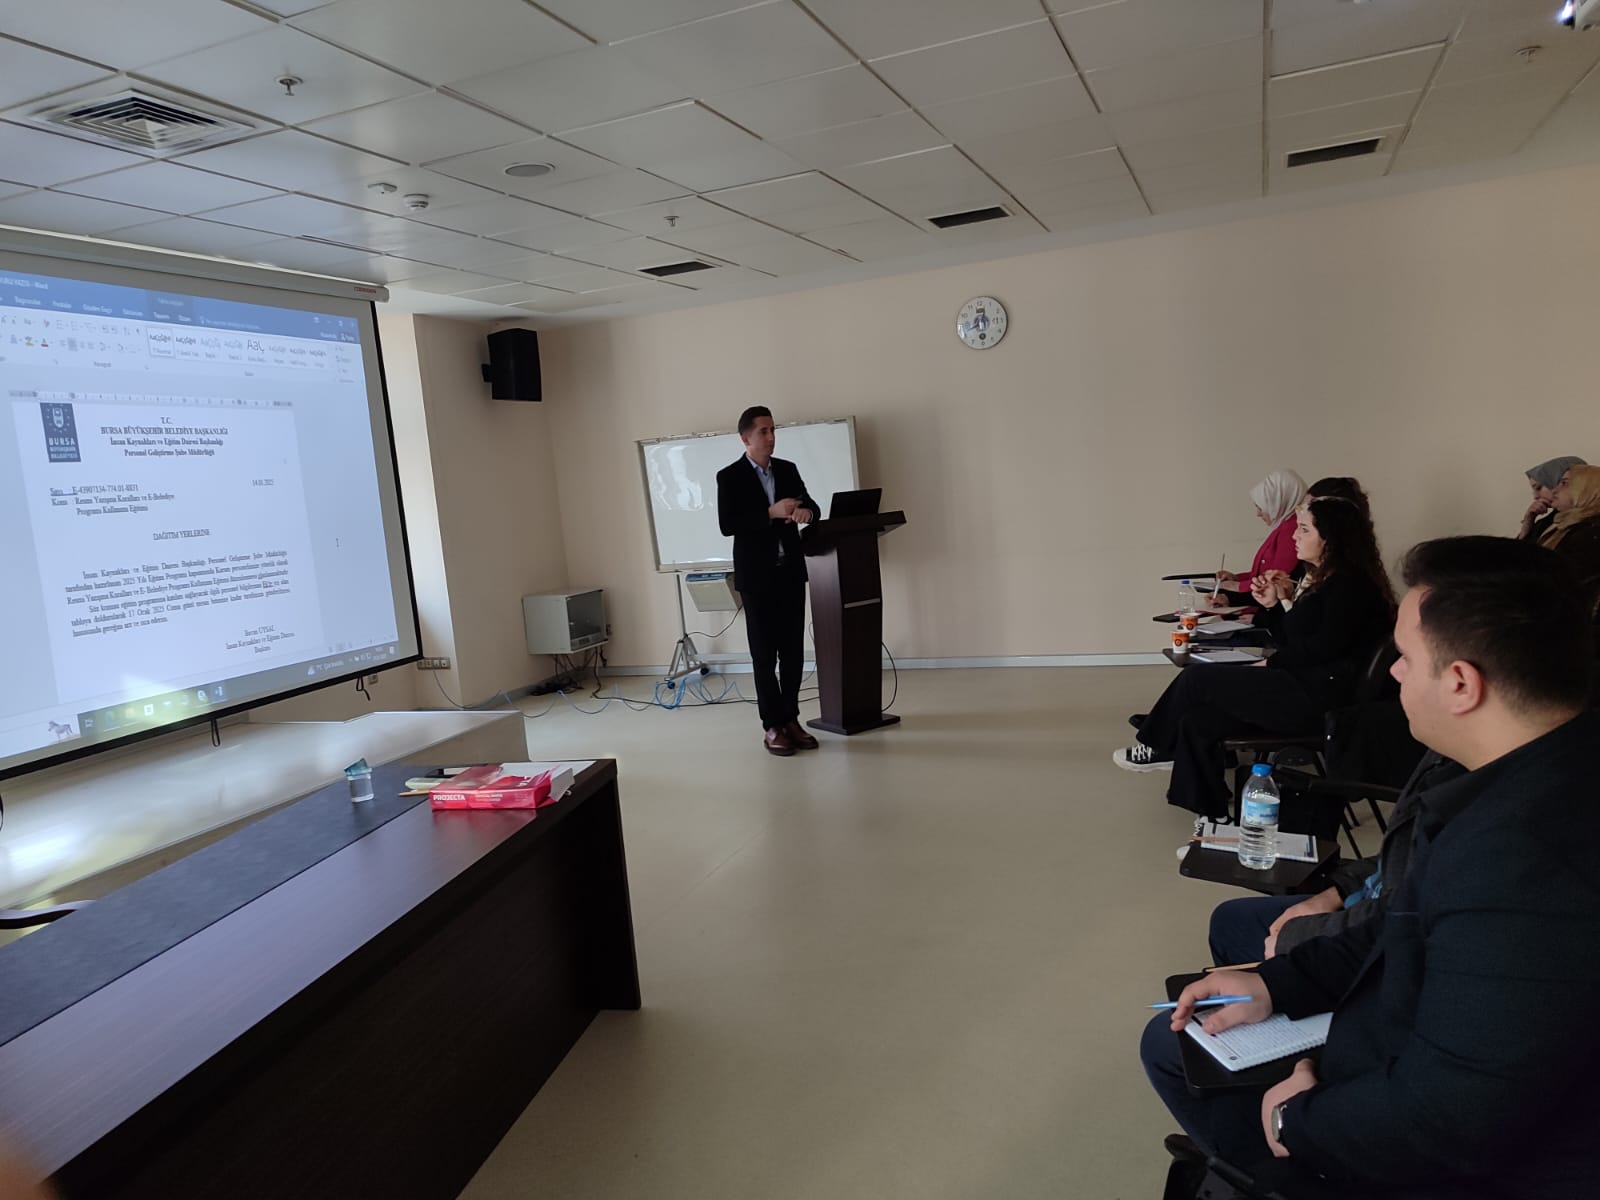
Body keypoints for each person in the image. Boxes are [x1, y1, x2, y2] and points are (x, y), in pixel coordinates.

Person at [1141, 535, 1600, 1199]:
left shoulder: (1528, 861)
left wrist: (1296, 1121)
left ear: (1461, 683)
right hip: (1404, 1059)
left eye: (1406, 658)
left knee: (1172, 1053)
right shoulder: (1511, 779)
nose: (1394, 674)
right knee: (1181, 1041)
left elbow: (1449, 1120)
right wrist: (1275, 983)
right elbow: (1401, 924)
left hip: (1445, 1146)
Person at [1116, 498, 1395, 818]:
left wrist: (1269, 663)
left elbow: (1322, 648)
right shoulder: (1330, 580)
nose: (1295, 536)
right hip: (1306, 685)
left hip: (1320, 700)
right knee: (1197, 722)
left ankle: (1159, 746)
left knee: (1195, 679)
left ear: (1331, 538)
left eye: (1304, 530)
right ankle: (1213, 814)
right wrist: (1279, 602)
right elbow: (1295, 638)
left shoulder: (1350, 587)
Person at [716, 406, 821, 757]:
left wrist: (806, 512)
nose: (771, 437)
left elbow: (812, 506)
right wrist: (769, 513)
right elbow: (728, 524)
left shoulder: (787, 469)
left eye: (773, 429)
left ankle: (791, 719)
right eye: (763, 431)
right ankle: (772, 726)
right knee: (764, 655)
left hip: (789, 573)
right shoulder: (729, 477)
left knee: (792, 654)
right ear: (745, 438)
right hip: (756, 578)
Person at [1211, 469, 1306, 598]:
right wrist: (1236, 579)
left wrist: (1237, 587)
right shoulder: (1283, 526)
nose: (1258, 514)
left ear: (1277, 503)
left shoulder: (1291, 529)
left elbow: (1276, 580)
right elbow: (1262, 574)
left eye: (1261, 507)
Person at [1518, 455, 1585, 543]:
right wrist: (1527, 522)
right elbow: (1519, 550)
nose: (1536, 496)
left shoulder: (1591, 521)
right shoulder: (1548, 522)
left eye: (1538, 488)